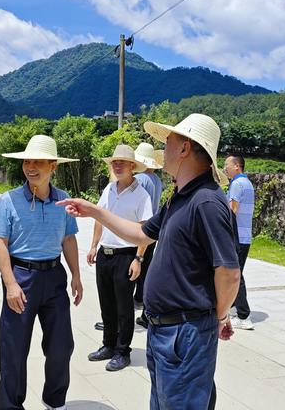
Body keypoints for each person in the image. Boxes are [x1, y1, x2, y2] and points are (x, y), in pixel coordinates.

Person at [58, 113, 240, 410]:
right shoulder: (179, 197)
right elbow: (141, 233)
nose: (163, 149)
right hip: (166, 331)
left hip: (185, 332)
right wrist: (95, 212)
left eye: (168, 142)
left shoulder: (206, 201)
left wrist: (217, 318)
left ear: (184, 149)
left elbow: (229, 273)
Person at [0, 135, 83, 410]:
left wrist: (76, 275)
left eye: (38, 161)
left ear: (53, 166)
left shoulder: (63, 201)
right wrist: (10, 284)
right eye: (27, 161)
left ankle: (55, 400)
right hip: (21, 277)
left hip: (54, 278)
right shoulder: (8, 200)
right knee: (14, 348)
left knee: (61, 346)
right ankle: (10, 405)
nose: (31, 166)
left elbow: (68, 239)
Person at [87, 145, 152, 371]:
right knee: (106, 304)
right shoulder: (109, 189)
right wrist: (94, 245)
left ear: (132, 167)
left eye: (122, 162)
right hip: (105, 253)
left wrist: (139, 259)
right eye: (114, 162)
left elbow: (145, 230)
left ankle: (123, 351)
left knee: (124, 308)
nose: (116, 166)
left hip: (126, 255)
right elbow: (99, 218)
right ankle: (108, 345)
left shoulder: (141, 195)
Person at [133, 142, 163, 328]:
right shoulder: (157, 180)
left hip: (139, 229)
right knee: (146, 267)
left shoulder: (139, 179)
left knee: (134, 264)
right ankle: (141, 300)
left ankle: (135, 302)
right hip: (153, 229)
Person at [224, 154, 255, 330]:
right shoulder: (247, 183)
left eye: (227, 165)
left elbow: (232, 211)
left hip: (237, 236)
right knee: (236, 273)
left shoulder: (236, 184)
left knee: (236, 276)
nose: (224, 168)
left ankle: (244, 316)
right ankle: (235, 307)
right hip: (245, 236)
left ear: (237, 166)